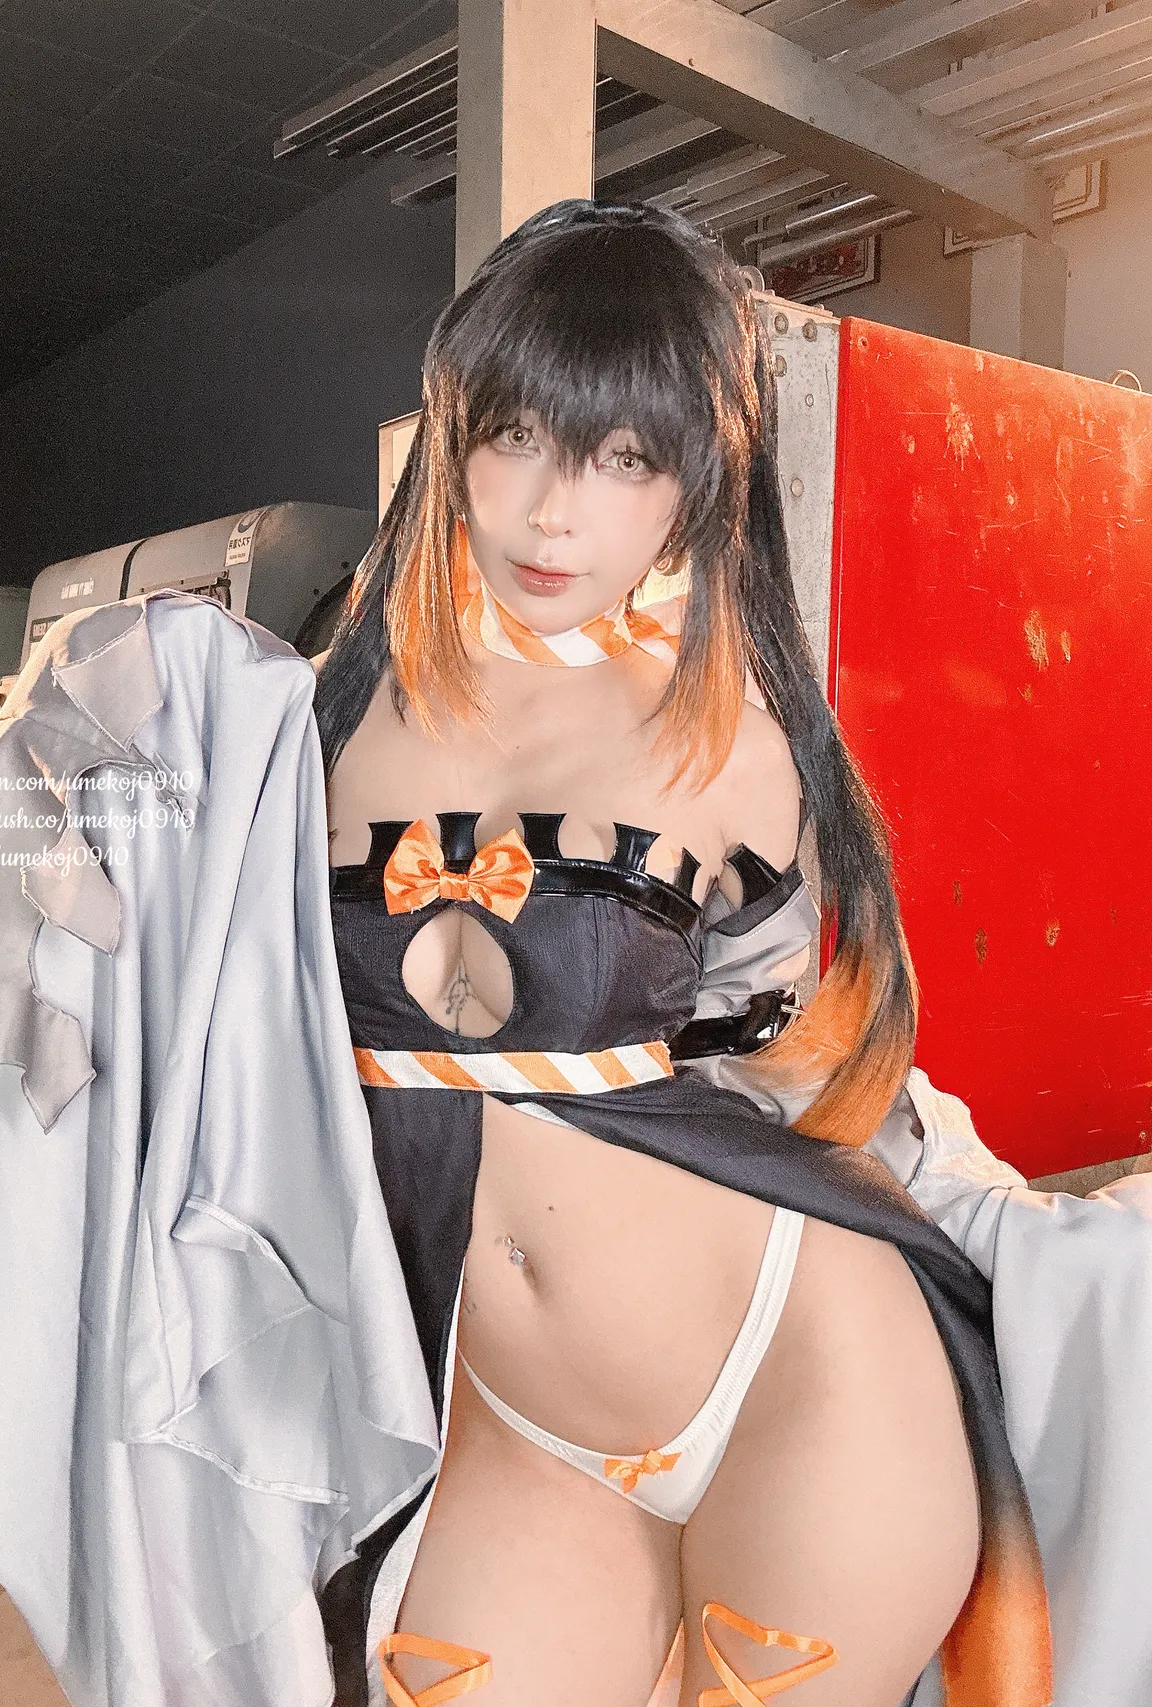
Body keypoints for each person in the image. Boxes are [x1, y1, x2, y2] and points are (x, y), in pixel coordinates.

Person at [312, 201, 1051, 1707]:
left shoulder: (733, 738)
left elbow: (783, 1068)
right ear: (454, 430)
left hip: (799, 1380)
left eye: (627, 459)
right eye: (517, 436)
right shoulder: (317, 721)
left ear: (702, 482)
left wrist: (1002, 1223)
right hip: (508, 1421)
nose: (553, 515)